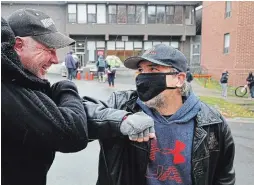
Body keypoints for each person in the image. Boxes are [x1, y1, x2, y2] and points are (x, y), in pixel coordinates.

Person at [2, 9, 156, 185]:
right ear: (19, 45)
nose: (55, 59)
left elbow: (71, 114)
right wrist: (66, 87)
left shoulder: (20, 82)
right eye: (48, 49)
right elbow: (72, 131)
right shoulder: (7, 88)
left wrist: (122, 119)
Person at [95, 44, 235, 185]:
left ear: (179, 79)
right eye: (140, 70)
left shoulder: (213, 123)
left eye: (153, 69)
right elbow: (82, 119)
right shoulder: (122, 106)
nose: (143, 77)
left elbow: (224, 178)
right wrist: (122, 120)